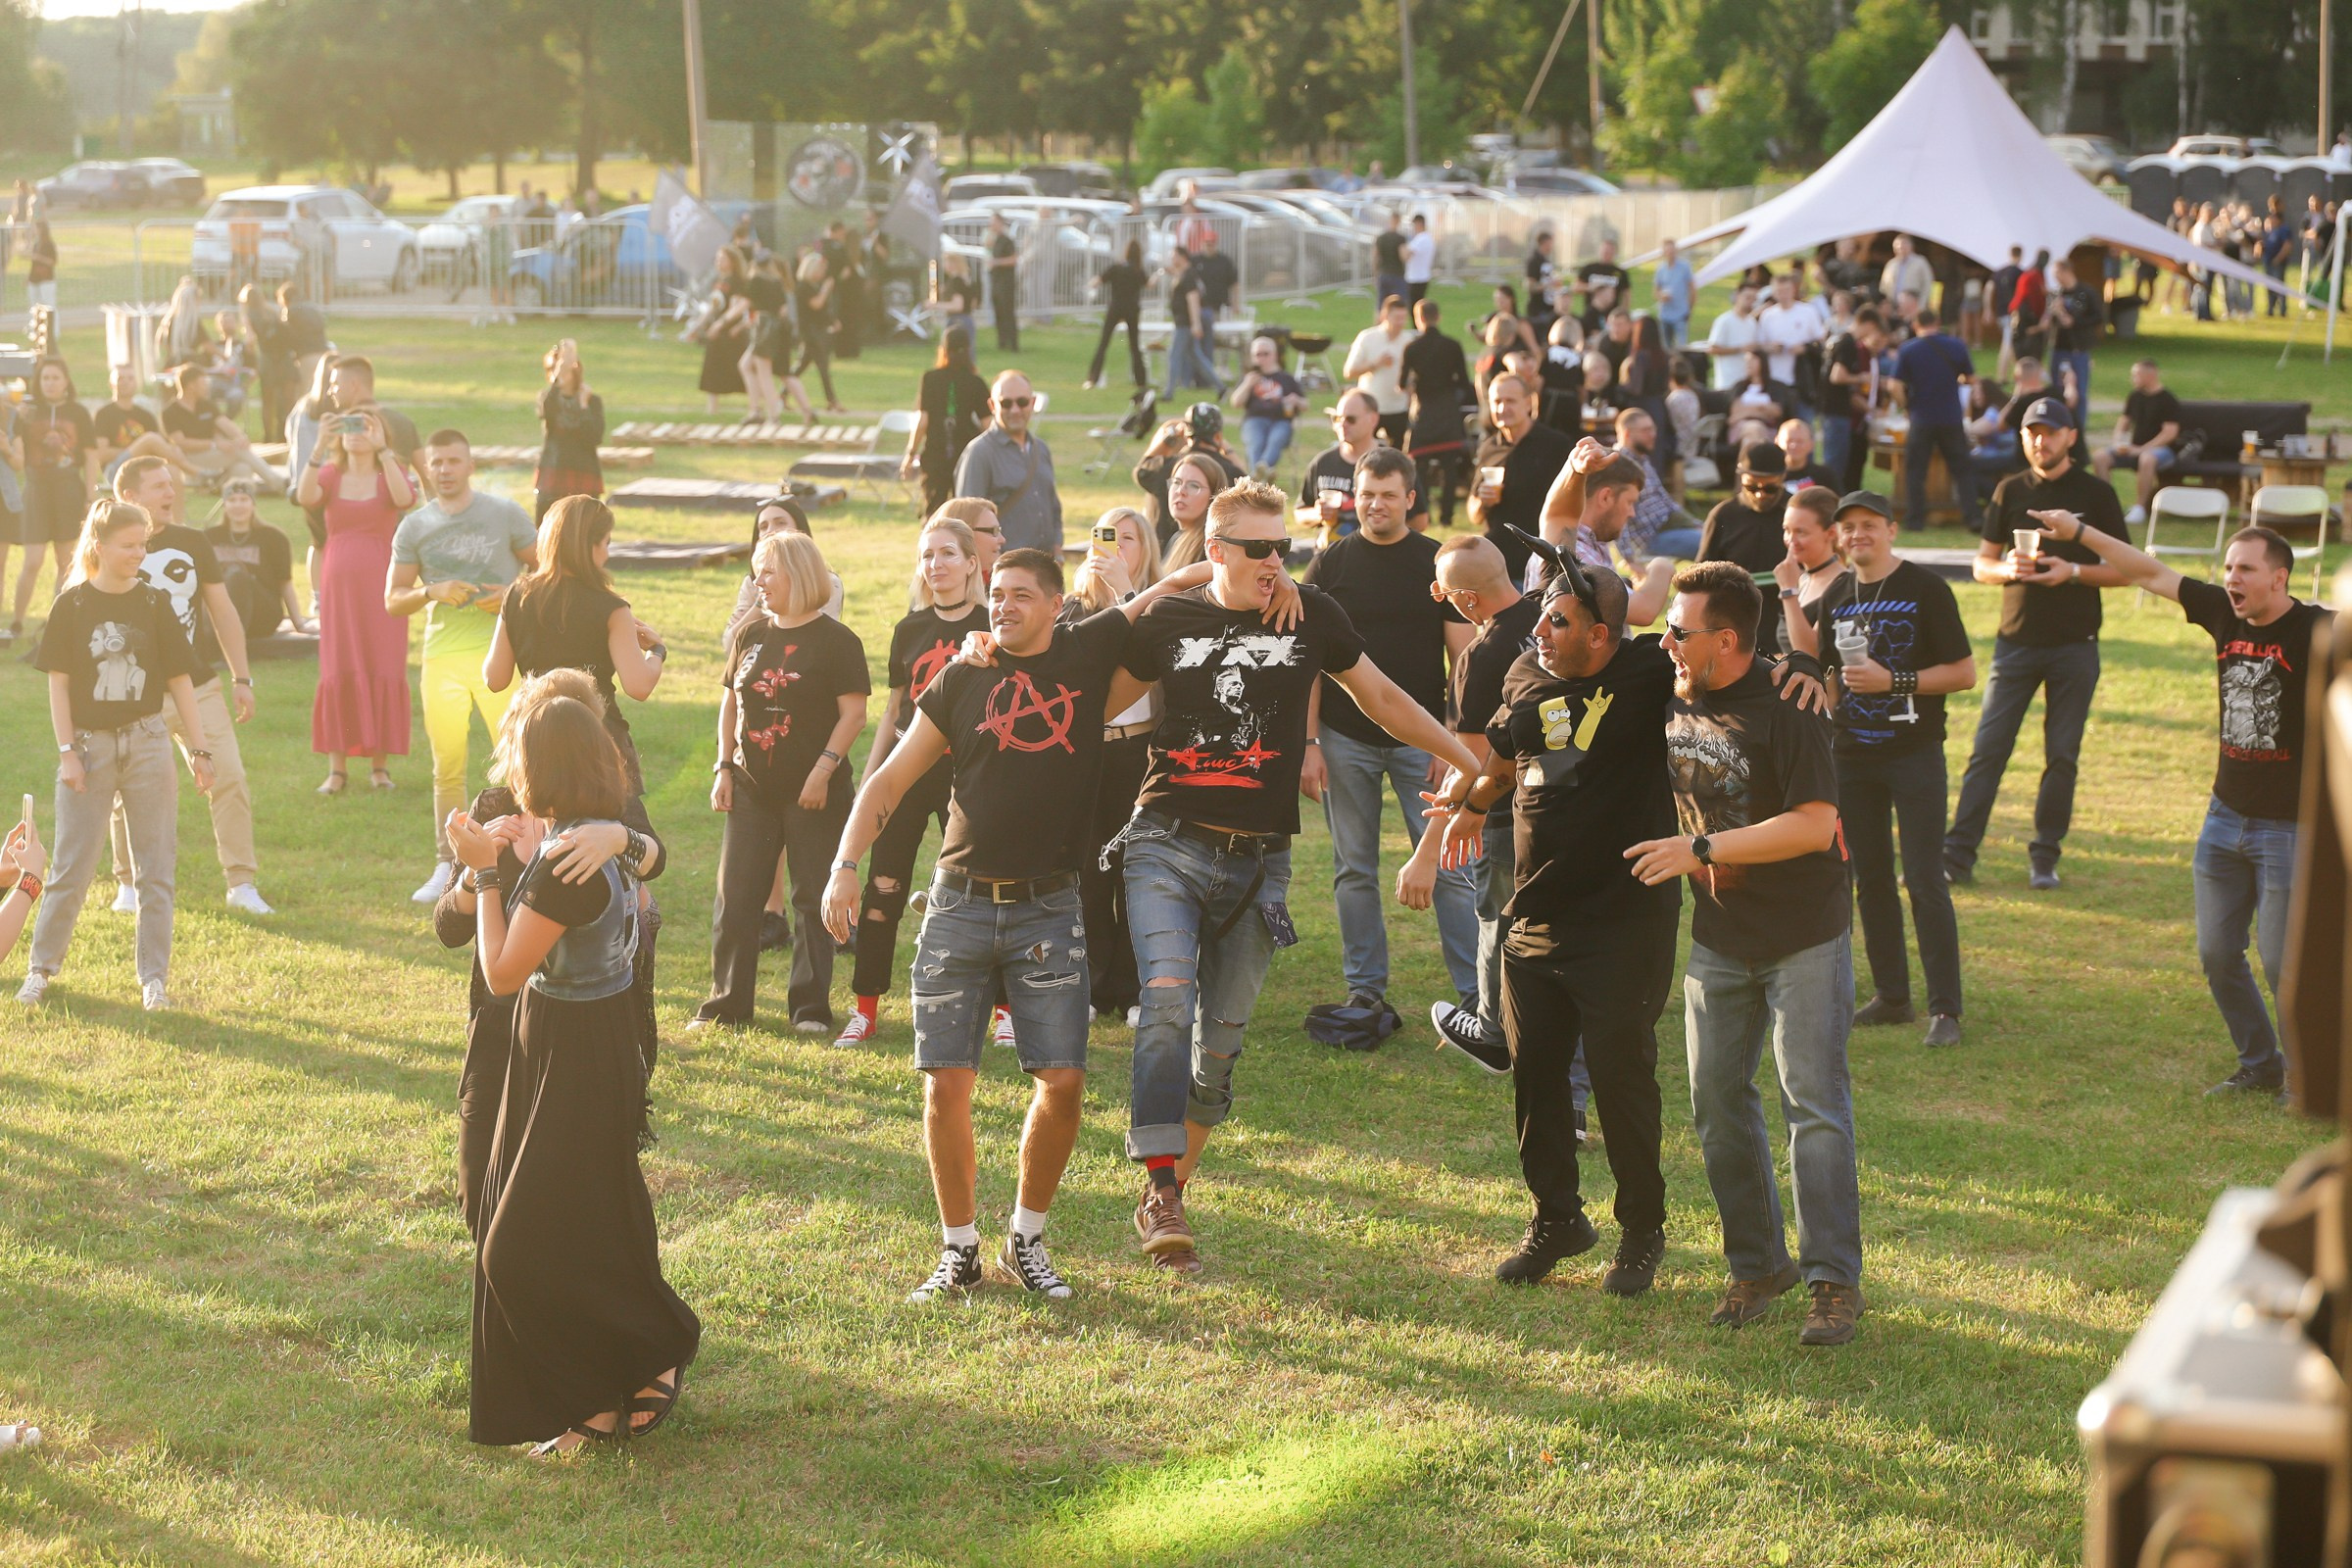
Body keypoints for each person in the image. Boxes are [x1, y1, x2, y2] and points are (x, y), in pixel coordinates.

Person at [822, 545, 1219, 1299]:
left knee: (1063, 1080)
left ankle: (1026, 1240)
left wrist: (1241, 567)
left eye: (1019, 596)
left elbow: (1163, 592)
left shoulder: (1087, 647)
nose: (1002, 607)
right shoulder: (963, 676)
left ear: (1054, 604)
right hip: (958, 903)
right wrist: (846, 865)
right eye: (995, 595)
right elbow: (891, 779)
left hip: (1048, 906)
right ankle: (959, 1249)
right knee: (946, 1082)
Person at [1113, 480, 1480, 1269]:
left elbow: (1382, 698)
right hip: (1166, 840)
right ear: (1217, 551)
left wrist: (1469, 762)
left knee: (1220, 1049)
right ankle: (1161, 1184)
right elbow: (1094, 693)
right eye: (1258, 550)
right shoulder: (1172, 616)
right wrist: (1166, 585)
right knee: (1169, 1002)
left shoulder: (1311, 614)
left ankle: (1164, 1190)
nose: (1276, 562)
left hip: (1259, 859)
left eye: (1285, 548)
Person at [1419, 555, 1679, 1295]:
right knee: (1535, 1080)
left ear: (1601, 635)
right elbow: (1503, 759)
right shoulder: (1527, 672)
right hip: (1532, 915)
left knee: (1621, 1077)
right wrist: (1469, 806)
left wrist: (1799, 674)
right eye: (1541, 613)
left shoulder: (1648, 673)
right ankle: (1557, 1218)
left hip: (1625, 917)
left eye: (1558, 620)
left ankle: (1641, 1229)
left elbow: (1737, 666)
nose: (1538, 628)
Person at [447, 694, 697, 1456]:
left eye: (518, 752)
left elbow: (500, 972)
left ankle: (654, 1346)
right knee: (588, 1217)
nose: (509, 767)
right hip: (568, 1035)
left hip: (575, 1044)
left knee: (514, 1245)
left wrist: (486, 874)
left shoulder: (570, 860)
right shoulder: (586, 837)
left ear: (542, 765)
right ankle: (603, 1390)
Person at [1630, 561, 1862, 1347]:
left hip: (1805, 930)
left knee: (1814, 1107)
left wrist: (1698, 844)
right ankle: (1758, 1266)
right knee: (1717, 1102)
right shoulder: (1669, 684)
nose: (1664, 639)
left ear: (1725, 640)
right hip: (1720, 933)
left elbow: (1812, 824)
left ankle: (1833, 1280)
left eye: (1679, 630)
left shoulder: (1790, 708)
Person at [2046, 514, 2322, 1096]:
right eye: (2226, 567)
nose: (2230, 578)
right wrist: (2078, 531)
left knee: (2283, 964)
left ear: (2280, 578)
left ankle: (2309, 1075)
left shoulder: (2318, 631)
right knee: (2217, 952)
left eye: (2244, 569)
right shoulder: (2223, 612)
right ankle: (2261, 1063)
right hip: (2224, 817)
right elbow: (2146, 572)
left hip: (2290, 829)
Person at [435, 671, 664, 1232]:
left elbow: (657, 859)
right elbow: (448, 928)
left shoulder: (603, 812)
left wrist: (621, 838)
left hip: (577, 1032)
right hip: (500, 1030)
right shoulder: (495, 805)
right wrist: (474, 872)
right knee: (481, 1198)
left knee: (567, 1208)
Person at [1299, 447, 1478, 1025]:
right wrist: (1310, 744)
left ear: (1410, 499)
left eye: (1387, 494)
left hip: (1422, 740)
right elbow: (1309, 663)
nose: (1375, 504)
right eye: (1366, 493)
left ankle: (1476, 993)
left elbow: (1465, 659)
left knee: (1450, 864)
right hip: (1343, 739)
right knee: (1354, 867)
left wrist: (1452, 741)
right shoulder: (1330, 564)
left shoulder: (1436, 563)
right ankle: (1365, 990)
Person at [21, 500, 216, 1012]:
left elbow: (180, 681)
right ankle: (40, 971)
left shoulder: (154, 603)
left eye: (144, 544)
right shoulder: (73, 605)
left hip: (149, 741)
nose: (140, 554)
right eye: (130, 545)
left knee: (156, 870)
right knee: (72, 867)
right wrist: (68, 753)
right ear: (100, 547)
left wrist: (199, 749)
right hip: (88, 746)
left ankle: (154, 981)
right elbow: (58, 688)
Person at [1808, 491, 1975, 1049]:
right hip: (1852, 755)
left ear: (1892, 529)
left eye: (1870, 525)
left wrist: (1894, 683)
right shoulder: (1837, 593)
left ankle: (1945, 1009)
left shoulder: (1926, 589)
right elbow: (1828, 670)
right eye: (1848, 527)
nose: (1859, 535)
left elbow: (1964, 672)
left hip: (1914, 751)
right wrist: (1828, 713)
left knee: (1925, 879)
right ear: (1838, 536)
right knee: (1870, 879)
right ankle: (1893, 997)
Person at [1946, 398, 2129, 891]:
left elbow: (2125, 569)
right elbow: (1981, 564)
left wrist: (2071, 572)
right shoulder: (2009, 490)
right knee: (1988, 751)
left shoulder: (2097, 493)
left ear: (2071, 436)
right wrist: (2007, 569)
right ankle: (1957, 857)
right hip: (2016, 644)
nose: (2039, 441)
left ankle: (2045, 857)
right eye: (2031, 432)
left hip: (2075, 645)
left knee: (2061, 756)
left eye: (2049, 432)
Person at [693, 531, 868, 1035]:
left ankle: (810, 1008)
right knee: (736, 896)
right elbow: (731, 702)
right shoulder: (751, 635)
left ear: (799, 573)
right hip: (751, 787)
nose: (758, 582)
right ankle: (726, 1004)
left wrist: (821, 772)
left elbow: (853, 715)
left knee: (812, 898)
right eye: (755, 571)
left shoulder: (839, 642)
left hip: (815, 793)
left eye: (767, 571)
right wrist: (723, 767)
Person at [833, 515, 987, 1048]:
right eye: (927, 556)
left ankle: (1004, 1011)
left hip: (968, 773)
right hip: (908, 770)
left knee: (986, 885)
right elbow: (895, 711)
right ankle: (866, 1007)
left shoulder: (995, 623)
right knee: (884, 888)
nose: (936, 565)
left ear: (972, 563)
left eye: (948, 554)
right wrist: (874, 777)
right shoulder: (909, 629)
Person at [106, 458, 270, 917]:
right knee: (126, 786)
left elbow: (222, 611)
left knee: (230, 777)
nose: (171, 491)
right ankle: (128, 884)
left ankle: (241, 883)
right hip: (132, 690)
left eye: (172, 483)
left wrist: (242, 678)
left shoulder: (193, 541)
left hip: (196, 687)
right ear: (130, 497)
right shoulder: (107, 544)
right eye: (159, 486)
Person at [388, 430, 539, 903]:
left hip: (500, 655)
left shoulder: (504, 514)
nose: (446, 469)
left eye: (455, 461)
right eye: (437, 463)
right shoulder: (414, 526)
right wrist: (431, 591)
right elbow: (393, 600)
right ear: (426, 469)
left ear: (471, 464)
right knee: (447, 766)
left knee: (519, 761)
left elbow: (549, 570)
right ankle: (447, 863)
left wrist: (511, 596)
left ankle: (530, 853)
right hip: (441, 658)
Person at [1424, 533, 1540, 1067]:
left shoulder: (1482, 654)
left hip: (1503, 815)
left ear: (1466, 600)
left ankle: (1494, 1028)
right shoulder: (1553, 616)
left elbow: (1471, 763)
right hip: (1568, 800)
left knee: (1498, 917)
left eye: (1445, 595)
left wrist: (1439, 829)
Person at [489, 497, 669, 808]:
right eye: (606, 542)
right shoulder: (611, 608)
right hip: (597, 738)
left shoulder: (517, 595)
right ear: (590, 546)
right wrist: (656, 650)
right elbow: (639, 686)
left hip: (535, 735)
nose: (608, 553)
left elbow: (494, 677)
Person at [1065, 507, 1162, 1022]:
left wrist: (1128, 593)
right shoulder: (1072, 609)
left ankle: (1133, 988)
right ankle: (1094, 985)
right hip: (1087, 752)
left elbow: (1158, 651)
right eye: (1107, 538)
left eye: (1129, 538)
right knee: (1088, 872)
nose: (1117, 547)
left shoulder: (1164, 602)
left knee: (1136, 871)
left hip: (1141, 751)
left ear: (1146, 549)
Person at [298, 408, 412, 795]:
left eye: (364, 426)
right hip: (339, 589)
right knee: (339, 664)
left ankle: (380, 767)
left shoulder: (387, 474)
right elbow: (304, 496)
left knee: (383, 662)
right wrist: (318, 446)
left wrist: (383, 452)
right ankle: (337, 768)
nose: (355, 434)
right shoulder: (331, 474)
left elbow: (405, 498)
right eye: (349, 427)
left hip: (383, 585)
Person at [1468, 372, 1576, 586]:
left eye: (1510, 401)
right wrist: (1483, 502)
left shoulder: (1555, 445)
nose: (1502, 408)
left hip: (1542, 567)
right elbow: (1473, 514)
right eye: (1497, 401)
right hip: (1497, 566)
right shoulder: (1489, 447)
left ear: (1529, 403)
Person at [16, 357, 94, 643]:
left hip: (67, 488)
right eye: (45, 378)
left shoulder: (78, 412)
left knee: (65, 559)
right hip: (36, 489)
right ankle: (15, 622)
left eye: (55, 378)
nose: (50, 383)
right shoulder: (28, 412)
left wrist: (89, 494)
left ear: (66, 381)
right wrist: (16, 417)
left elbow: (90, 454)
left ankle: (56, 621)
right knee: (32, 560)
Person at [954, 371, 1063, 555]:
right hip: (1005, 570)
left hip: (1044, 568)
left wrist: (1057, 550)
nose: (1015, 410)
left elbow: (1052, 505)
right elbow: (966, 522)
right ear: (992, 405)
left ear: (1033, 403)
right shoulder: (980, 452)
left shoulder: (1041, 448)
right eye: (1006, 403)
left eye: (1022, 402)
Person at [1890, 307, 1979, 534]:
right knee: (1962, 469)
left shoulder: (1908, 349)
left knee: (1916, 470)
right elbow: (1970, 379)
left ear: (1915, 325)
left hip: (1922, 417)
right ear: (1937, 322)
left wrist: (1906, 405)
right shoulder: (1956, 345)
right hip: (1950, 415)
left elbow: (1894, 385)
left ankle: (1915, 519)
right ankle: (1972, 517)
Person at [1698, 442, 1795, 648]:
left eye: (1770, 488)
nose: (1761, 494)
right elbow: (1702, 575)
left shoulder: (1796, 513)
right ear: (1741, 478)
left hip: (1788, 619)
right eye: (1752, 486)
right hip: (1734, 623)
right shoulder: (1723, 515)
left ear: (1783, 478)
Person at [1400, 298, 1473, 530]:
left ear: (1418, 318)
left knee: (1419, 465)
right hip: (1448, 410)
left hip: (1424, 411)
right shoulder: (1453, 345)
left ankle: (1424, 514)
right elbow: (1463, 381)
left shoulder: (1411, 348)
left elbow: (1402, 383)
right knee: (1449, 467)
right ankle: (1447, 516)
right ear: (1438, 317)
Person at [907, 324, 992, 517]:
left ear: (943, 350)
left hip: (935, 454)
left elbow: (923, 420)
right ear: (968, 351)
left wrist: (911, 452)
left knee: (933, 513)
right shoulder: (975, 382)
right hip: (965, 456)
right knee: (965, 514)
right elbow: (988, 424)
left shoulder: (930, 378)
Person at [206, 478, 304, 642]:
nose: (238, 505)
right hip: (219, 612)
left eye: (244, 500)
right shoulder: (209, 537)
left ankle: (226, 645)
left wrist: (299, 624)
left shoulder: (273, 537)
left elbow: (285, 583)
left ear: (253, 504)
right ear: (224, 505)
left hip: (262, 614)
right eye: (232, 500)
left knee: (237, 574)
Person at [2091, 359, 2184, 528]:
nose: (2133, 379)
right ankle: (2107, 506)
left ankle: (2139, 508)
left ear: (2151, 375)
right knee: (2100, 457)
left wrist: (2142, 449)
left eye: (2137, 375)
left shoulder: (2167, 400)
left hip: (2162, 451)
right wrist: (2119, 442)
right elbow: (2124, 422)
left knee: (2147, 459)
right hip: (2133, 449)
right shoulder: (2135, 396)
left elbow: (2170, 432)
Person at [160, 366, 280, 493]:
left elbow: (225, 424)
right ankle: (279, 484)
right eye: (203, 383)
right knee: (239, 451)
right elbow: (182, 443)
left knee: (242, 467)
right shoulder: (170, 412)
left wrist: (240, 437)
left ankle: (235, 495)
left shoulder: (206, 405)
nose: (207, 386)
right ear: (191, 386)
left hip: (212, 455)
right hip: (191, 459)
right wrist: (214, 445)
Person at [1134, 404, 1245, 541]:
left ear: (1186, 432)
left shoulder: (1167, 465)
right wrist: (1226, 448)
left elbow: (1141, 471)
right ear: (1217, 436)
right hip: (1210, 550)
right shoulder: (1230, 470)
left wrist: (1169, 437)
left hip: (1164, 552)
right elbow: (1247, 482)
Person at [1611, 406, 1704, 563]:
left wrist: (1696, 524)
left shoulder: (1642, 459)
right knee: (1711, 544)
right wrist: (1629, 558)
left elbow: (1665, 499)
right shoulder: (1618, 466)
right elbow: (1617, 516)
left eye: (1653, 429)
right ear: (1627, 434)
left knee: (1718, 533)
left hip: (1670, 524)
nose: (1653, 435)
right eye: (1646, 430)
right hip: (1651, 538)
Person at [1767, 487, 1845, 659]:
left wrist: (1788, 592)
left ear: (1831, 532)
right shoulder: (1802, 579)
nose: (1791, 540)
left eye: (1800, 532)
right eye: (1787, 530)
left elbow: (1811, 654)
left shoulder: (1842, 584)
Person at [1297, 390, 1384, 542]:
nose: (1342, 424)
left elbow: (1419, 520)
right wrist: (1318, 514)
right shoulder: (1323, 462)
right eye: (1337, 418)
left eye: (1351, 419)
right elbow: (1300, 511)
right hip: (1328, 555)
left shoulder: (1391, 464)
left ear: (1373, 419)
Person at [534, 339, 605, 523]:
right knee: (546, 526)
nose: (559, 375)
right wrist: (559, 373)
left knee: (586, 528)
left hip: (583, 470)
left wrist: (583, 406)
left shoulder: (592, 401)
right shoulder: (548, 398)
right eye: (554, 370)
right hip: (554, 471)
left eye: (567, 370)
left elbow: (594, 436)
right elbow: (546, 411)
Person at [91, 365, 190, 492]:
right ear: (111, 384)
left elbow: (159, 447)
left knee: (173, 472)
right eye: (120, 378)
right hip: (117, 470)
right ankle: (195, 471)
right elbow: (102, 453)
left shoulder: (146, 416)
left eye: (130, 378)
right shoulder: (103, 414)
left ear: (136, 383)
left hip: (145, 467)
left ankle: (176, 512)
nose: (125, 382)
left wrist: (170, 449)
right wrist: (138, 448)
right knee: (149, 439)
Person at [1820, 307, 1886, 495]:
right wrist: (1861, 378)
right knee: (1835, 464)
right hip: (1837, 409)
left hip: (1831, 408)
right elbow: (1837, 376)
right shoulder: (1848, 343)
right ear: (1869, 324)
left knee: (1839, 461)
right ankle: (1827, 501)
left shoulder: (1837, 339)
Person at [1345, 295, 1417, 449]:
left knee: (1397, 454)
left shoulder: (1409, 341)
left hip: (1399, 408)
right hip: (1371, 408)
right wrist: (1375, 364)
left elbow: (1414, 376)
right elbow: (1349, 372)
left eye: (1404, 318)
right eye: (1397, 318)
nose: (1400, 323)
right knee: (1365, 451)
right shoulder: (1367, 338)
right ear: (1385, 316)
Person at [1228, 336, 1304, 479]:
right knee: (1255, 442)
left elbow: (1305, 404)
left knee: (1276, 439)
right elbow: (1235, 403)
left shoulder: (1286, 378)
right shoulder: (1250, 377)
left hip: (1281, 420)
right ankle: (1262, 474)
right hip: (1254, 420)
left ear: (1275, 355)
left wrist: (1296, 400)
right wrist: (1247, 384)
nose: (1262, 358)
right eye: (1258, 354)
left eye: (1266, 354)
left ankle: (1257, 475)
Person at [737, 254, 800, 425]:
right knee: (745, 365)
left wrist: (724, 322)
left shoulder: (755, 280)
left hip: (762, 326)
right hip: (773, 327)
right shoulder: (776, 282)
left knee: (764, 373)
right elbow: (783, 310)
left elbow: (744, 304)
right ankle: (755, 409)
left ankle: (773, 415)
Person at [1755, 272, 1825, 418]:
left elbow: (1820, 342)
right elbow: (1760, 345)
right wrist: (1771, 348)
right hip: (1776, 379)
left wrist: (1804, 348)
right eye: (1779, 291)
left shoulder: (1808, 312)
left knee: (1803, 422)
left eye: (1786, 290)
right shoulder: (1768, 316)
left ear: (1794, 290)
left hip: (1802, 379)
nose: (1783, 295)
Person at [1083, 239, 1149, 390]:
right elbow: (1148, 284)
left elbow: (1097, 281)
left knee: (1104, 343)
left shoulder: (1117, 267)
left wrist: (1089, 285)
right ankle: (1141, 381)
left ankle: (1092, 378)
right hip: (1132, 308)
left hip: (1116, 307)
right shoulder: (1138, 270)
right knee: (1134, 346)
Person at [2043, 259, 2101, 425]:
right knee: (2056, 387)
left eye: (2057, 274)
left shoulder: (2085, 293)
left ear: (2066, 271)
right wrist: (2052, 314)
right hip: (2057, 347)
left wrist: (2075, 322)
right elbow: (2049, 320)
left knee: (2079, 389)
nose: (2056, 279)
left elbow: (2098, 317)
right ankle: (2058, 421)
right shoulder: (2056, 294)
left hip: (2078, 348)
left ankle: (2079, 424)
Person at [697, 248, 752, 412]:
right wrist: (699, 325)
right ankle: (712, 408)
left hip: (731, 331)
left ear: (733, 261)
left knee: (742, 370)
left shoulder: (737, 281)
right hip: (717, 330)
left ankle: (759, 404)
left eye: (722, 258)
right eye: (717, 258)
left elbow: (738, 307)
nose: (718, 261)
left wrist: (720, 324)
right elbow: (713, 306)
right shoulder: (720, 281)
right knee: (713, 368)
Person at [1161, 248, 1221, 398]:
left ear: (1182, 257)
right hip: (1182, 322)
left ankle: (1168, 392)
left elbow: (1193, 300)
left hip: (1185, 324)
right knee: (1197, 358)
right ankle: (1221, 387)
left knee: (1174, 355)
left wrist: (1196, 324)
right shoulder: (1183, 275)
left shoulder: (1189, 276)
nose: (1171, 259)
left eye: (1174, 256)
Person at [792, 250, 847, 414]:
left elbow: (821, 311)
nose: (823, 273)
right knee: (823, 366)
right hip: (810, 332)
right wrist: (826, 290)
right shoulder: (803, 286)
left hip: (818, 330)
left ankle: (783, 393)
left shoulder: (813, 286)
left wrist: (832, 321)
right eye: (821, 269)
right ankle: (832, 400)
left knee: (801, 366)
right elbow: (816, 304)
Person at [1156, 449, 1229, 571]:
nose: (1181, 491)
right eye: (1176, 482)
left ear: (1213, 497)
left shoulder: (1211, 550)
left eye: (1194, 486)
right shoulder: (1176, 537)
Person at [1193, 227, 1239, 372]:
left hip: (1220, 306)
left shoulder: (1224, 261)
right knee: (1204, 338)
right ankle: (1204, 367)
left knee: (1224, 338)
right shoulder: (1196, 261)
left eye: (1211, 243)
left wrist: (1235, 303)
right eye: (1207, 243)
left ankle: (1222, 366)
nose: (1209, 246)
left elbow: (1234, 283)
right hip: (1202, 308)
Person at [1703, 283, 1762, 392]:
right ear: (1738, 296)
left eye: (1754, 299)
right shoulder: (1724, 321)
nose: (1751, 302)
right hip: (1728, 381)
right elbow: (1712, 349)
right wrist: (1739, 349)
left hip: (1746, 382)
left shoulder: (1751, 322)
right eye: (1748, 297)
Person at [1570, 238, 1629, 336]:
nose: (1606, 254)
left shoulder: (1619, 272)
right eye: (1605, 251)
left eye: (1609, 252)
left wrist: (1624, 313)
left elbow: (1626, 294)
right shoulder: (1590, 268)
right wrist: (1590, 287)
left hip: (1611, 315)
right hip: (1592, 313)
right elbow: (1575, 287)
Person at [1653, 235, 1695, 350]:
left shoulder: (1684, 267)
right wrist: (1661, 296)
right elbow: (1656, 291)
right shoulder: (1660, 269)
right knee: (1666, 348)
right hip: (1664, 314)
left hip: (1680, 314)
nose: (1670, 253)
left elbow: (1692, 289)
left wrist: (1689, 309)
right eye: (1667, 250)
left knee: (1681, 347)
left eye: (1672, 250)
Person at [987, 212, 1020, 351]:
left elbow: (1013, 259)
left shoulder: (1007, 241)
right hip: (996, 280)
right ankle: (1002, 341)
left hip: (1006, 282)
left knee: (1007, 312)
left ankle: (1013, 343)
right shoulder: (995, 240)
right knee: (998, 311)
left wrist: (997, 262)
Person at [1777, 418, 1838, 494]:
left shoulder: (1825, 476)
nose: (1794, 445)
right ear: (1777, 442)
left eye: (1800, 441)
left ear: (1812, 444)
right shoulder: (1769, 475)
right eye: (1789, 440)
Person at [936, 252, 980, 347]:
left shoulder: (955, 282)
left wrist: (935, 304)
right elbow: (974, 303)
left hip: (955, 320)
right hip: (968, 320)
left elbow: (957, 306)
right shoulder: (968, 281)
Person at [1879, 232, 1935, 306]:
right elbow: (1883, 287)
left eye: (1904, 246)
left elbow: (1928, 285)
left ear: (1911, 247)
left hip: (1913, 308)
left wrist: (1921, 306)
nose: (1901, 249)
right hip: (1894, 309)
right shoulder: (1891, 264)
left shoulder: (1921, 263)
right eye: (1898, 247)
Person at [1373, 212, 1408, 312]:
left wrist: (1375, 275)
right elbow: (1403, 256)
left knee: (1381, 306)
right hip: (1397, 275)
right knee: (1399, 305)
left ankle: (1378, 326)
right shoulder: (1400, 238)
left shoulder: (1380, 238)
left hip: (1383, 274)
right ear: (1398, 221)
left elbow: (1375, 257)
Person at [1401, 215, 1437, 310]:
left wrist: (1402, 245)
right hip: (1422, 275)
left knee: (1414, 307)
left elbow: (1407, 255)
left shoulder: (1421, 239)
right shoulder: (1427, 238)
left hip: (1416, 277)